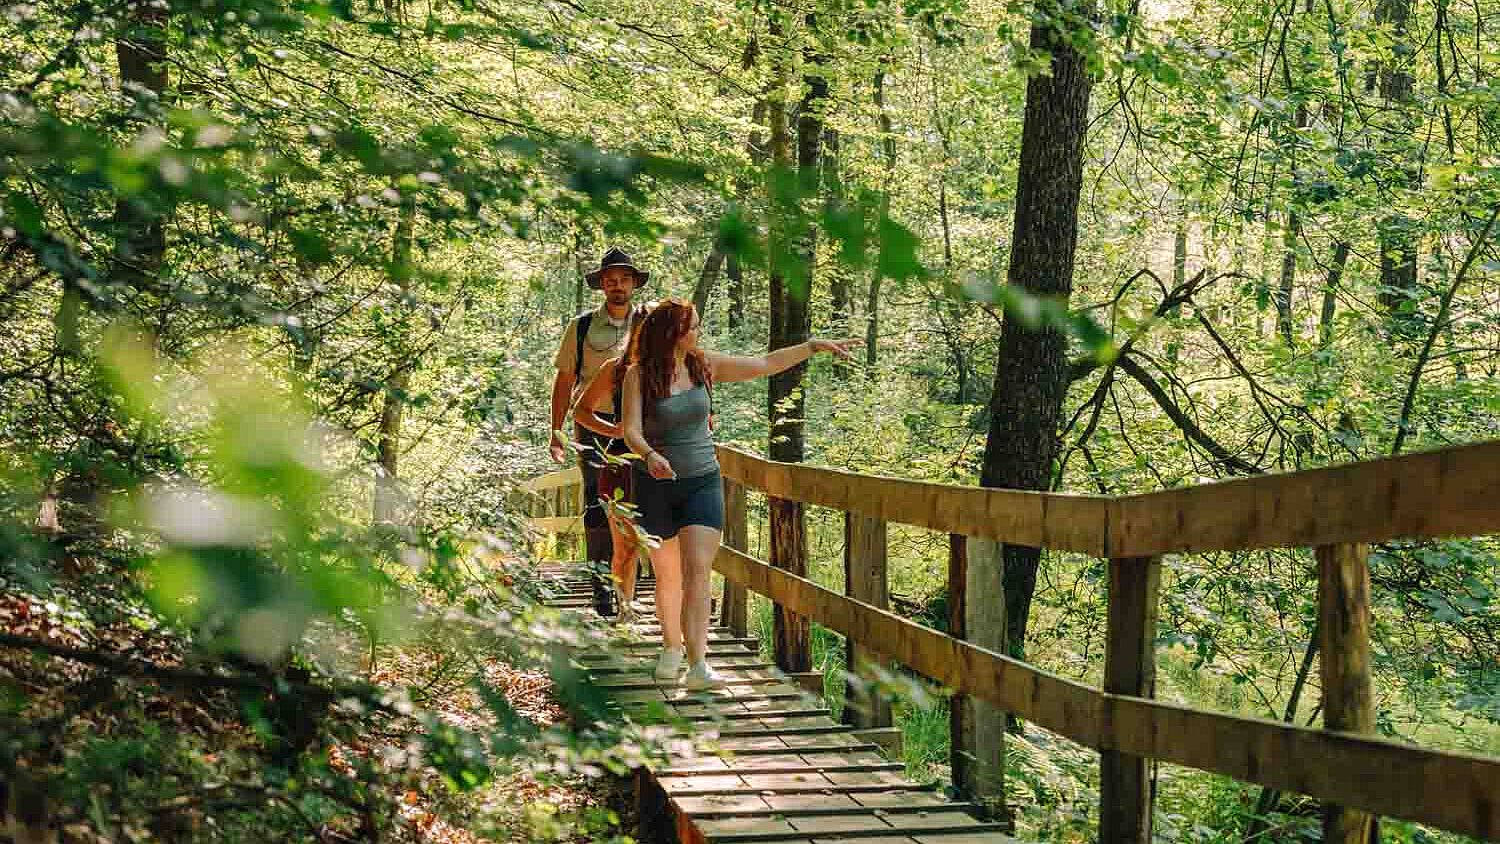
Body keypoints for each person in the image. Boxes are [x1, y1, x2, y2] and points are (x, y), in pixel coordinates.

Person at [620, 299, 859, 690]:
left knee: (698, 571)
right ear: (671, 332)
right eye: (693, 326)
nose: (699, 332)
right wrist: (650, 455)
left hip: (702, 481)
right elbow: (631, 429)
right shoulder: (639, 375)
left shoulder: (703, 365)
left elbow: (764, 364)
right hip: (656, 485)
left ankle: (699, 664)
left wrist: (811, 346)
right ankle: (671, 648)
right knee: (668, 575)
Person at [550, 247, 648, 617]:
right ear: (602, 285)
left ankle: (630, 591)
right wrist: (555, 430)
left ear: (634, 283)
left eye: (624, 279)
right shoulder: (582, 327)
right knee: (597, 502)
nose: (617, 285)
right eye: (610, 280)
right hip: (592, 425)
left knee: (639, 503)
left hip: (641, 426)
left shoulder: (649, 321)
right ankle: (601, 588)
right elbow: (564, 380)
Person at [572, 319, 646, 623]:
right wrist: (616, 431)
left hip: (667, 463)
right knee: (625, 544)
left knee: (667, 543)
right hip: (622, 462)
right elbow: (580, 409)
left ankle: (676, 622)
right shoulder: (616, 367)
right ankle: (624, 608)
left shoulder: (683, 367)